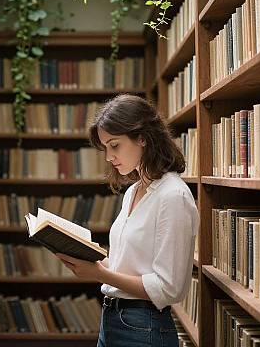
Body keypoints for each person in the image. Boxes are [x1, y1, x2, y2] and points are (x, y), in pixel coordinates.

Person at [56, 94, 199, 347]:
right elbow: (133, 266)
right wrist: (94, 261)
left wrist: (99, 274)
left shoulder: (173, 195)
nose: (109, 157)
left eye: (115, 145)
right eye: (105, 148)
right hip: (111, 319)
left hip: (143, 327)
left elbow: (168, 289)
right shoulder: (133, 191)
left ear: (142, 137)